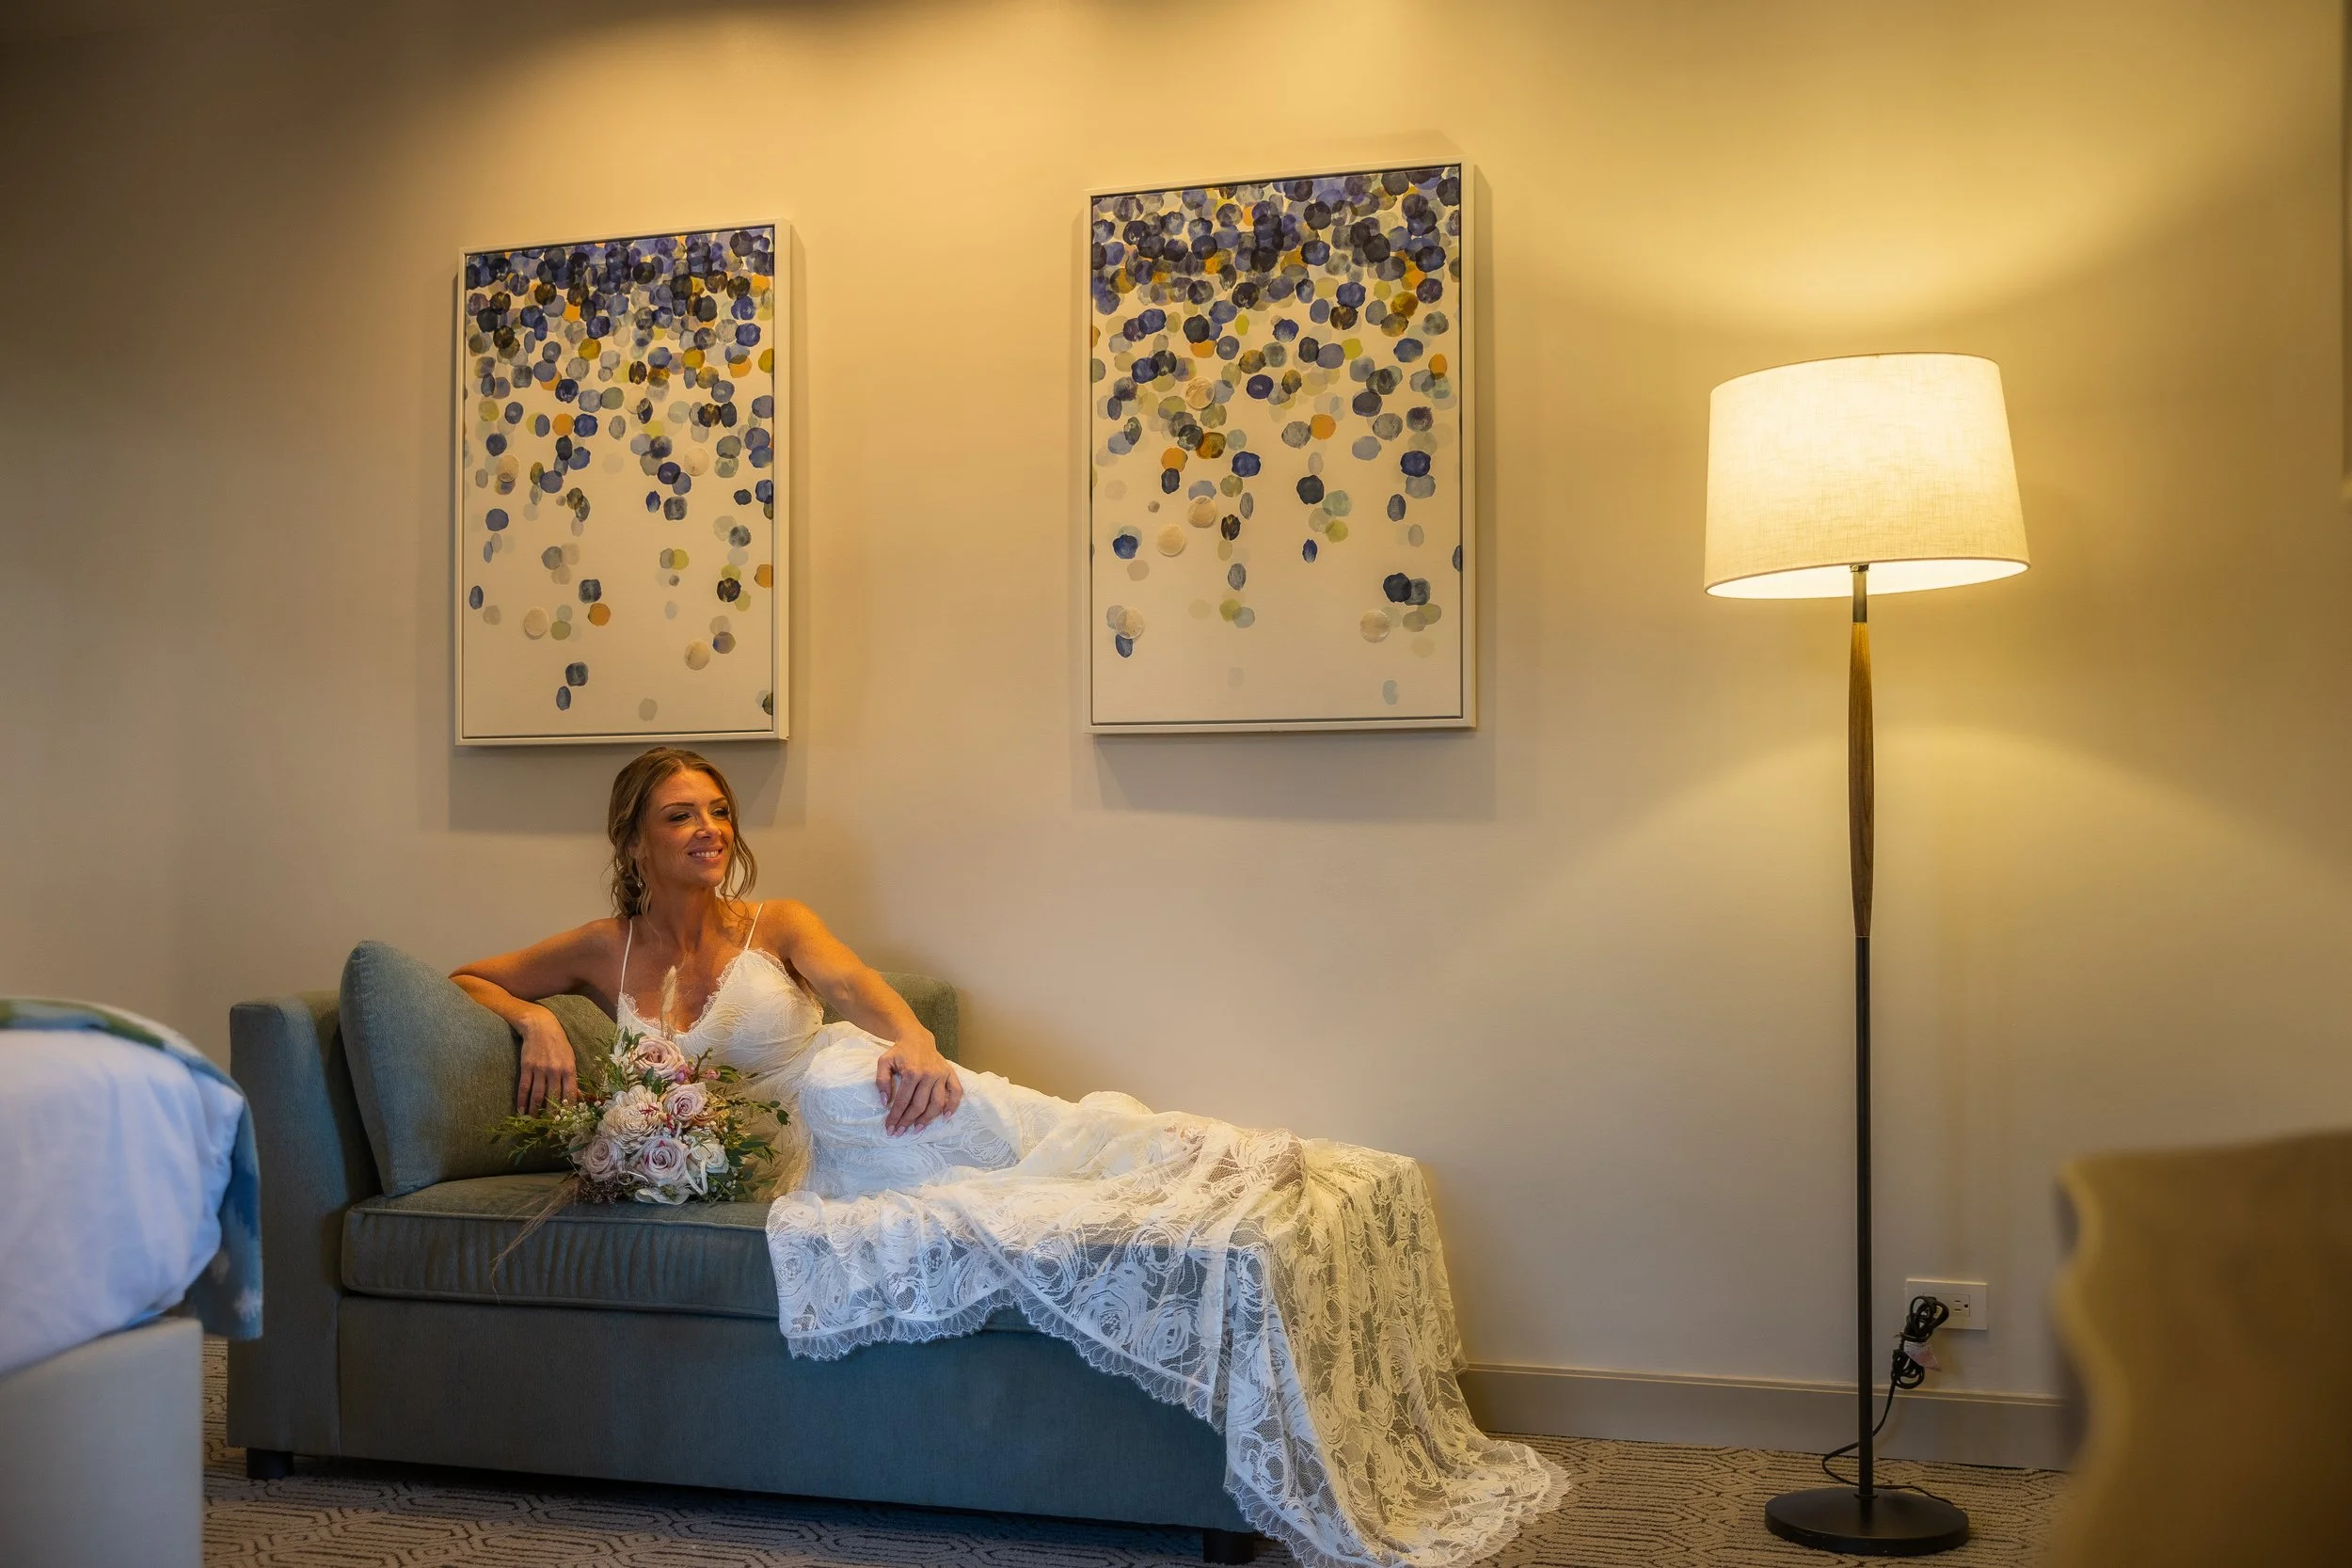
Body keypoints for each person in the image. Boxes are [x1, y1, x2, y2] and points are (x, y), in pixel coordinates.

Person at [454, 747, 1564, 1568]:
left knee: (1046, 1145)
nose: (706, 826)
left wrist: (918, 1042)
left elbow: (856, 987)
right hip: (781, 1158)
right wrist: (538, 1018)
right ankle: (1166, 1207)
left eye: (718, 809)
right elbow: (472, 971)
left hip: (855, 1089)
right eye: (679, 813)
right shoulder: (606, 948)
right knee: (1006, 1205)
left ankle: (1217, 1175)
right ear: (634, 836)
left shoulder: (773, 918)